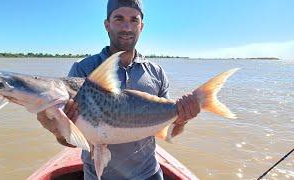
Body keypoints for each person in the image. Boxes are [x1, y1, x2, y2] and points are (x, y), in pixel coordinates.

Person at [37, 0, 200, 179]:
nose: (127, 28)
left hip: (149, 174)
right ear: (107, 25)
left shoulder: (156, 72)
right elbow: (69, 142)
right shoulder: (82, 69)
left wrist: (182, 120)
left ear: (142, 26)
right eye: (119, 19)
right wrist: (56, 129)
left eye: (134, 20)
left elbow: (169, 133)